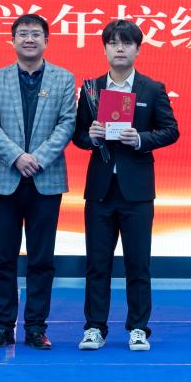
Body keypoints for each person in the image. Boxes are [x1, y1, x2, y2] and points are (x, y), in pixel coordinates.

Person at [73, 19, 179, 352]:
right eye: (113, 43)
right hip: (100, 191)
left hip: (137, 192)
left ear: (137, 49)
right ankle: (94, 327)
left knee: (138, 263)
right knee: (97, 263)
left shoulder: (152, 89)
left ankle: (138, 328)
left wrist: (141, 139)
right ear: (105, 49)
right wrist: (90, 137)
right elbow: (77, 135)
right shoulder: (91, 89)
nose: (120, 49)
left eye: (126, 43)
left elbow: (171, 130)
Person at [0, 13, 76, 350]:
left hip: (46, 179)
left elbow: (67, 123)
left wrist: (38, 158)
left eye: (36, 34)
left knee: (41, 260)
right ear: (13, 40)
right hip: (5, 178)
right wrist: (17, 157)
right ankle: (2, 327)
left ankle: (36, 327)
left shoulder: (64, 78)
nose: (29, 39)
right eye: (23, 34)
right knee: (2, 259)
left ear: (46, 41)